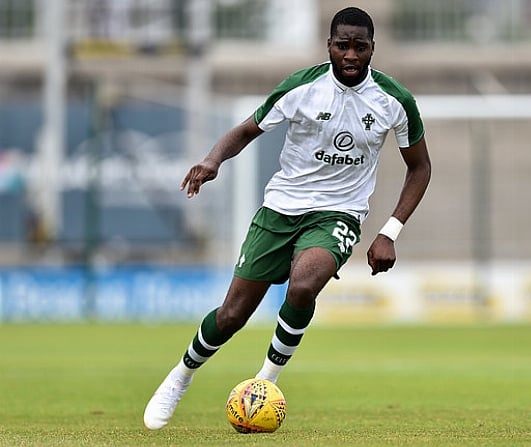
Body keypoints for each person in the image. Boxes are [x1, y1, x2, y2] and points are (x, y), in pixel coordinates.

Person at [143, 7, 431, 430]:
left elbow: (420, 167)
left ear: (372, 48)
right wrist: (211, 160)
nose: (351, 54)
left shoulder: (394, 100)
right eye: (342, 45)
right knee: (231, 316)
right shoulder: (301, 88)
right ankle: (180, 376)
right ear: (329, 46)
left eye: (360, 46)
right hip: (280, 209)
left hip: (338, 213)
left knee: (304, 283)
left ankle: (264, 383)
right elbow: (244, 131)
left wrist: (390, 230)